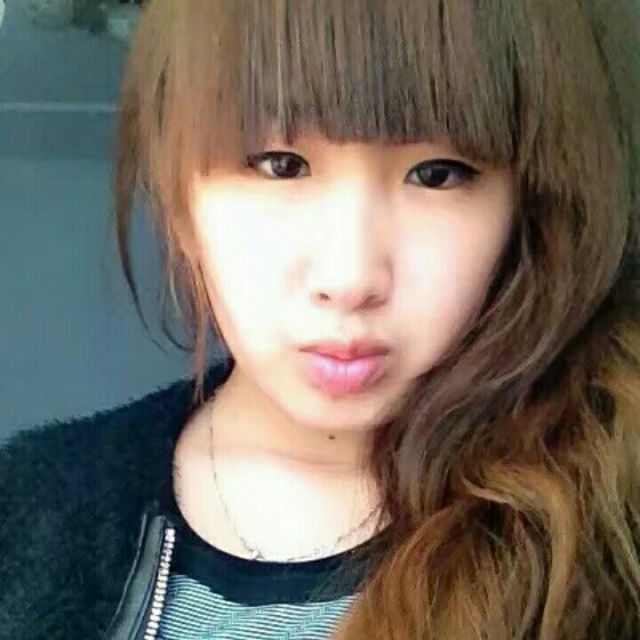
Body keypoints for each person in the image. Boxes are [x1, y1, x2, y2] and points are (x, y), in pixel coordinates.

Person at [1, 1, 639, 638]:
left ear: (521, 209)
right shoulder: (29, 513)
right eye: (281, 164)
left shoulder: (607, 525)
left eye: (437, 174)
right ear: (180, 205)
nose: (350, 277)